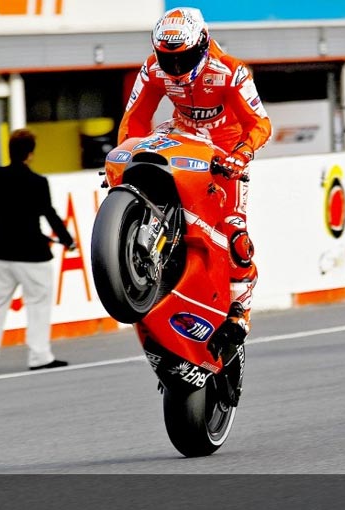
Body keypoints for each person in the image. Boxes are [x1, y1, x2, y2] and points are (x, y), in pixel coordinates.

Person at [118, 7, 272, 347]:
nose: (174, 69)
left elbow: (261, 123)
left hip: (224, 154)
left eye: (183, 58)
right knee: (143, 160)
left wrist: (241, 155)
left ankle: (239, 313)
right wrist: (125, 165)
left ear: (201, 45)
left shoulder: (232, 72)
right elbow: (135, 119)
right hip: (182, 139)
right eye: (166, 58)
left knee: (236, 237)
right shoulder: (152, 69)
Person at [0, 128, 75, 374]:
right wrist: (67, 240)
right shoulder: (37, 182)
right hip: (33, 253)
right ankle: (39, 355)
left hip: (1, 251)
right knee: (38, 304)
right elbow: (49, 214)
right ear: (30, 154)